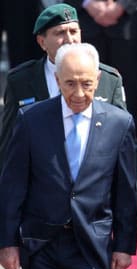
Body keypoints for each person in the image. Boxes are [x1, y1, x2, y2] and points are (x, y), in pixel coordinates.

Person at [0, 43, 137, 269]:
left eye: (86, 84)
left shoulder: (119, 124)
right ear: (57, 80)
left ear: (97, 79)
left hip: (92, 245)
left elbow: (126, 190)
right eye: (70, 84)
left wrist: (125, 245)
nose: (79, 94)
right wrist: (7, 242)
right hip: (41, 245)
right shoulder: (31, 120)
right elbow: (13, 186)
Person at [0, 3, 127, 171]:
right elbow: (9, 142)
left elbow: (123, 142)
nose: (69, 39)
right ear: (42, 42)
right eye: (59, 33)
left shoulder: (108, 79)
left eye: (74, 31)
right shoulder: (21, 81)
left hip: (94, 183)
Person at [63, 0, 137, 141]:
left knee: (131, 85)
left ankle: (129, 139)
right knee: (85, 82)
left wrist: (122, 5)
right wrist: (87, 3)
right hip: (84, 20)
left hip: (128, 21)